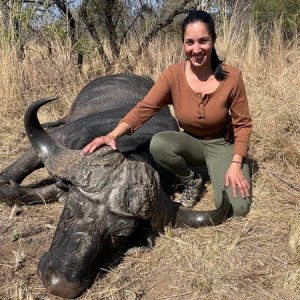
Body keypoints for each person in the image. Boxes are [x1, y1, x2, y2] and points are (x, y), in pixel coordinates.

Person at [81, 10, 252, 217]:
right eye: (190, 42)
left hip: (221, 143)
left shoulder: (232, 77)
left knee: (236, 208)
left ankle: (221, 166)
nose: (196, 49)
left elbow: (242, 124)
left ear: (213, 40)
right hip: (190, 142)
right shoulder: (173, 75)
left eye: (203, 41)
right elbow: (145, 108)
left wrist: (236, 163)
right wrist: (112, 135)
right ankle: (191, 180)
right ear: (183, 44)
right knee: (160, 143)